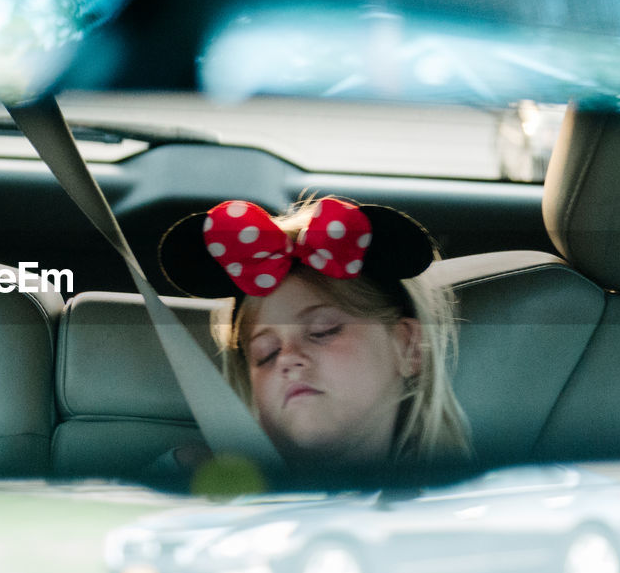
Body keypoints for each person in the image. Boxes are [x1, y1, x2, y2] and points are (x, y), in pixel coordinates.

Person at [159, 195, 473, 480]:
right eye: (265, 354)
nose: (287, 358)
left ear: (408, 347)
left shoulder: (459, 497)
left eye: (323, 331)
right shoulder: (196, 479)